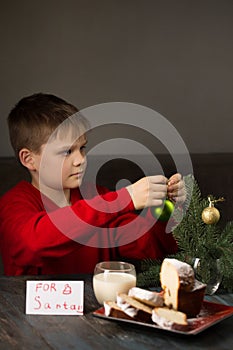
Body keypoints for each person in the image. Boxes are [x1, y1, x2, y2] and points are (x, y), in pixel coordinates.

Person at [0, 93, 186, 276]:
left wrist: (163, 210)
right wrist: (124, 198)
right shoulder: (13, 204)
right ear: (29, 159)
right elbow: (33, 244)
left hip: (95, 304)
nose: (80, 159)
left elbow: (150, 251)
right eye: (67, 152)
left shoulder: (97, 196)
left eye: (82, 148)